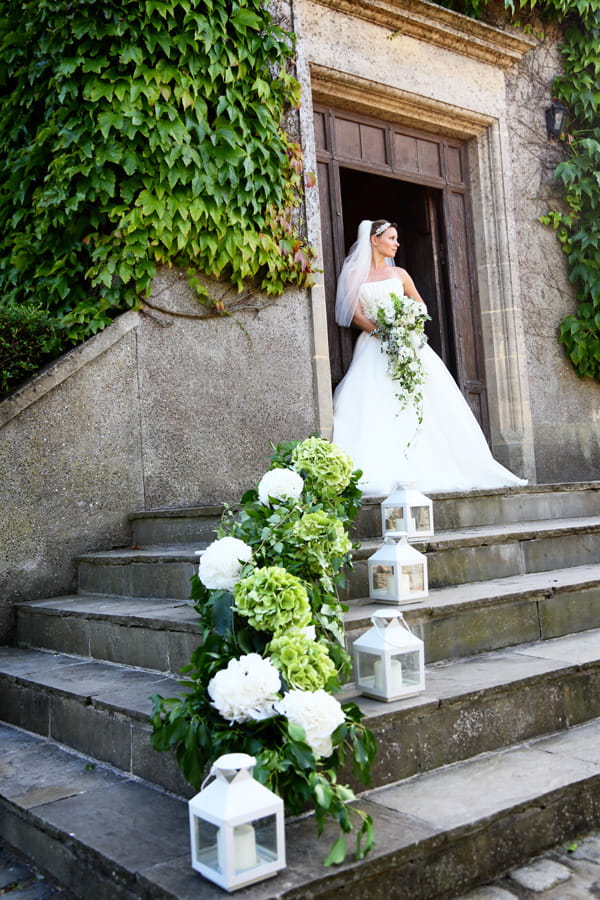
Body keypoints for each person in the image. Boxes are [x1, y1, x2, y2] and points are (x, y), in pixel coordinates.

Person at [332, 219, 527, 496]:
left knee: (423, 402)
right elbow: (353, 313)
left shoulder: (400, 274)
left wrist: (406, 322)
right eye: (391, 238)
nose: (397, 243)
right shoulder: (354, 274)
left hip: (410, 346)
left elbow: (420, 306)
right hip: (375, 345)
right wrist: (384, 333)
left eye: (397, 238)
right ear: (374, 240)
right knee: (371, 400)